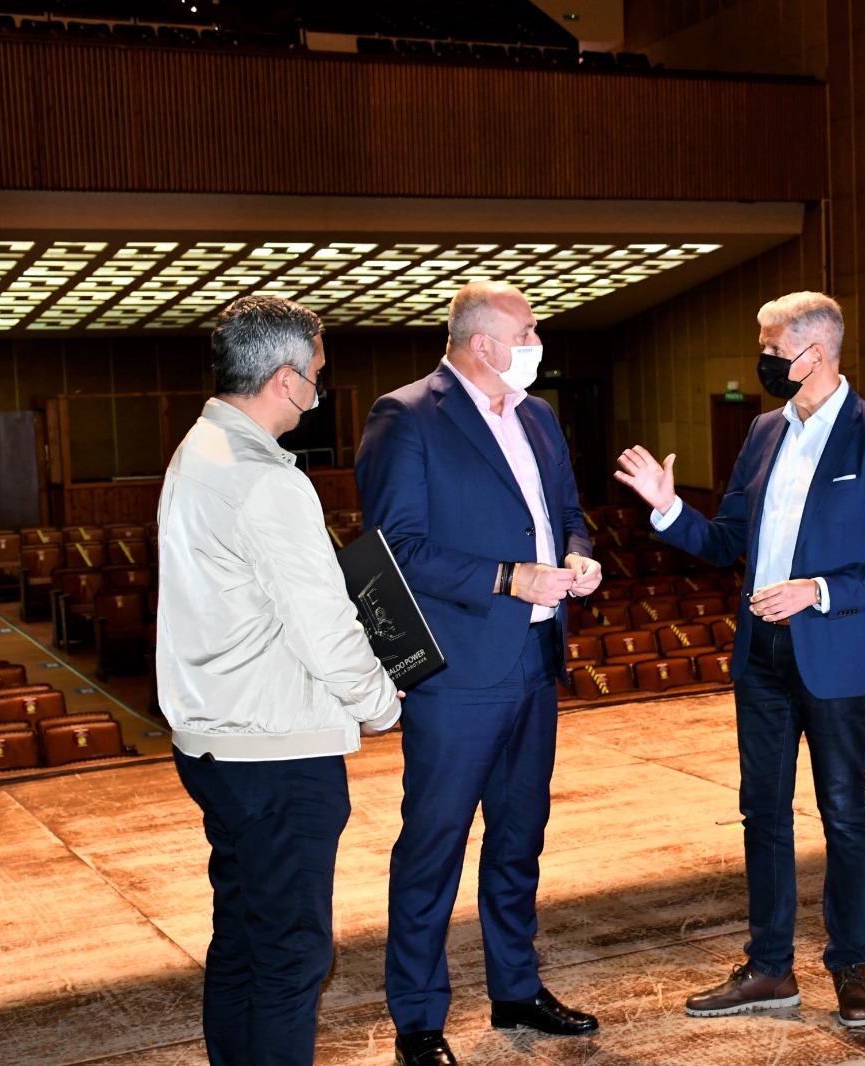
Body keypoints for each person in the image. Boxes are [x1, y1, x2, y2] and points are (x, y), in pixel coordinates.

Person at [615, 291, 865, 1027]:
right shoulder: (762, 432)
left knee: (844, 812)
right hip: (762, 653)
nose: (761, 357)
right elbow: (728, 541)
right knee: (762, 813)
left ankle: (851, 964)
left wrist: (815, 590)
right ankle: (770, 969)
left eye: (771, 344)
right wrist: (667, 509)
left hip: (838, 653)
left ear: (814, 353)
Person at [356, 280, 601, 1065]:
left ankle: (516, 991)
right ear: (485, 344)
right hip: (459, 672)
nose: (537, 343)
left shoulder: (538, 415)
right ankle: (418, 1023)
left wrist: (578, 556)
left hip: (534, 661)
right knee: (434, 846)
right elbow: (396, 547)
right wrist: (509, 577)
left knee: (520, 839)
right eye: (528, 331)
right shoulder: (406, 416)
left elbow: (568, 511)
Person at [157, 295, 402, 1066]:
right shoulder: (268, 480)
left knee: (243, 939)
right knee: (292, 957)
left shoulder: (198, 448)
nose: (318, 390)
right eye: (317, 376)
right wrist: (381, 701)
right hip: (275, 753)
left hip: (214, 742)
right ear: (287, 379)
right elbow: (324, 629)